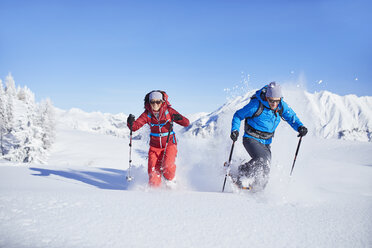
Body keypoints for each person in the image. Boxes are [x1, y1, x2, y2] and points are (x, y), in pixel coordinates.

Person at [230, 82, 307, 190]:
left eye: (277, 100)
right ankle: (239, 172)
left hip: (266, 142)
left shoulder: (281, 106)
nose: (274, 104)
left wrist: (300, 127)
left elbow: (291, 117)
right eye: (271, 100)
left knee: (265, 171)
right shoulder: (256, 105)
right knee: (261, 160)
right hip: (251, 138)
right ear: (267, 97)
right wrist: (234, 130)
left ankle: (257, 188)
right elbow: (238, 115)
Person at [127, 90, 190, 188]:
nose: (155, 104)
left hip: (169, 144)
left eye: (158, 102)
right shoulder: (147, 114)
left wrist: (178, 118)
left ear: (162, 102)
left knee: (168, 166)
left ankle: (170, 181)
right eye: (152, 102)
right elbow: (134, 127)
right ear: (149, 102)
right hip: (154, 147)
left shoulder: (169, 111)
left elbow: (186, 123)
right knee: (153, 174)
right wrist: (130, 122)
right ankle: (154, 194)